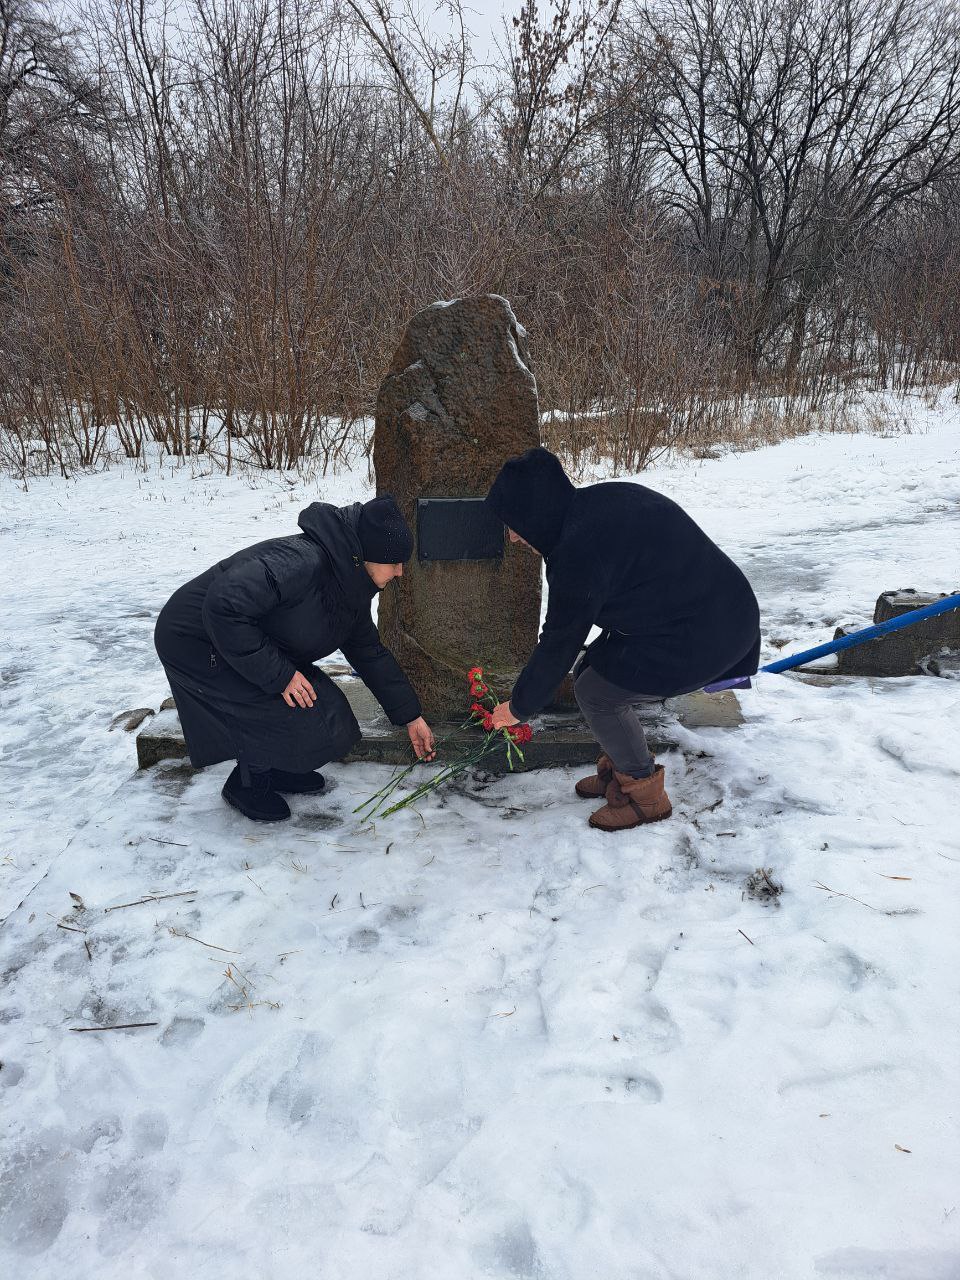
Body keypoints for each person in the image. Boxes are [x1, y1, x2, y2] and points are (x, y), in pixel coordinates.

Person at [484, 447, 760, 832]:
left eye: (513, 523)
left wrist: (517, 707)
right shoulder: (594, 505)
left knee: (598, 692)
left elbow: (558, 643)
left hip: (708, 633)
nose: (512, 537)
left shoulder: (576, 554)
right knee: (593, 669)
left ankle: (646, 796)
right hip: (711, 611)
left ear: (535, 513)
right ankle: (622, 765)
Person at [154, 495, 435, 822]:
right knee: (281, 706)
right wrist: (281, 675)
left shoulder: (349, 584)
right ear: (369, 556)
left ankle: (275, 769)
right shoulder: (301, 562)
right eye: (396, 562)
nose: (401, 573)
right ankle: (247, 783)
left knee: (325, 710)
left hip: (244, 641)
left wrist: (411, 716)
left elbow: (369, 652)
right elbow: (224, 606)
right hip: (197, 642)